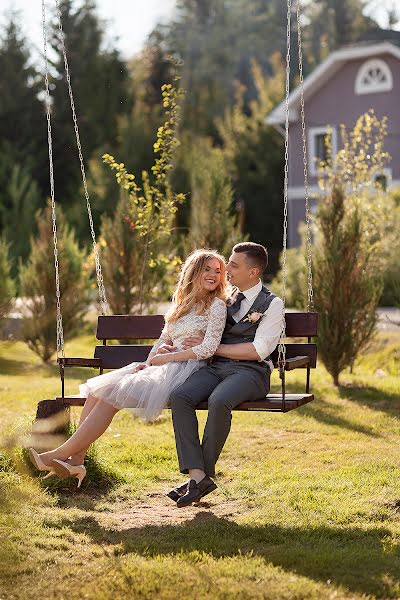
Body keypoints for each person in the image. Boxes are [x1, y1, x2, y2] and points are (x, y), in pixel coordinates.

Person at [29, 249, 229, 487]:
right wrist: (155, 357)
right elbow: (163, 339)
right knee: (97, 391)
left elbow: (208, 348)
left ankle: (57, 455)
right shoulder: (180, 304)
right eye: (207, 269)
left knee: (112, 396)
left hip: (190, 371)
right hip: (165, 365)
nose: (213, 275)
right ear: (193, 272)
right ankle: (76, 459)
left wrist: (170, 358)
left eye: (218, 271)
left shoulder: (216, 305)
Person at [167, 242, 284, 508]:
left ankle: (200, 477)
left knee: (219, 400)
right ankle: (198, 475)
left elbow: (258, 350)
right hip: (216, 367)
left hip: (251, 373)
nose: (225, 269)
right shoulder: (221, 297)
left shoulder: (272, 304)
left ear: (253, 272)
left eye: (233, 264)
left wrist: (214, 346)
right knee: (180, 396)